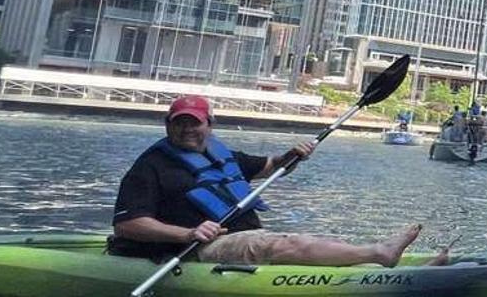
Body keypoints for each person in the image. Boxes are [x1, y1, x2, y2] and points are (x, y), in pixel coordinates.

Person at [109, 95, 425, 267]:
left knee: (299, 242)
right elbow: (128, 225)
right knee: (284, 244)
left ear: (210, 125)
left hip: (245, 238)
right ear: (168, 126)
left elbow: (272, 167)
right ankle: (380, 254)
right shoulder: (149, 167)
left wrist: (292, 156)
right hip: (198, 249)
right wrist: (188, 232)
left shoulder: (220, 155)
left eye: (195, 123)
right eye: (180, 124)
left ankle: (416, 269)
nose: (187, 129)